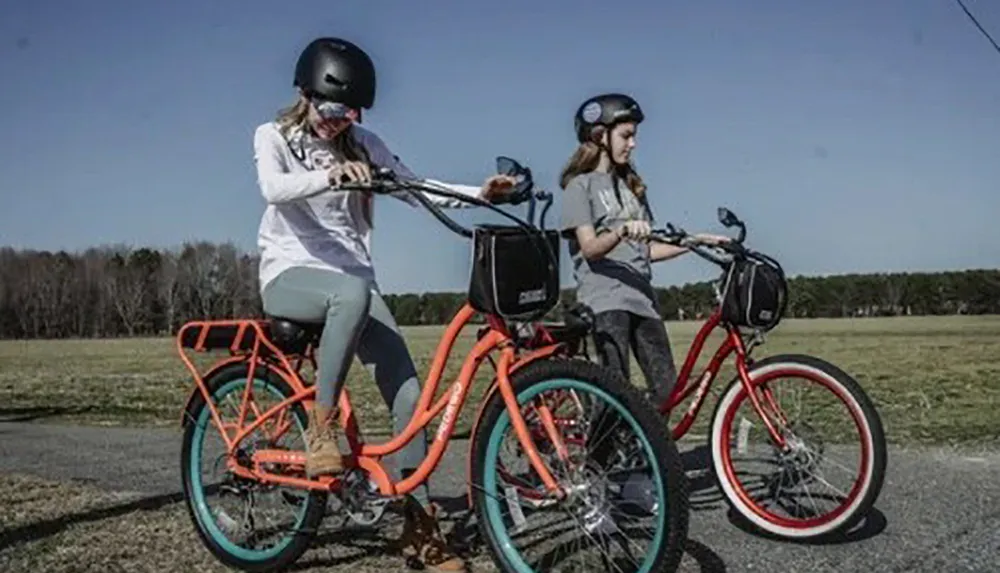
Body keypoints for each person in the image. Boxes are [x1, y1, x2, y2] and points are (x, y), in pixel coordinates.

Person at [253, 36, 514, 572]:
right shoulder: (273, 135)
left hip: (352, 282)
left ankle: (418, 529)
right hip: (288, 275)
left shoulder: (364, 142)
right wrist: (330, 174)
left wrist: (480, 193)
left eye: (350, 112)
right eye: (330, 108)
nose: (338, 121)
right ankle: (321, 429)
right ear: (305, 93)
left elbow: (415, 187)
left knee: (411, 397)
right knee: (350, 290)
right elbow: (272, 188)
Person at [559, 92, 730, 410]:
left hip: (644, 302)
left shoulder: (632, 189)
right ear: (600, 136)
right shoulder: (579, 188)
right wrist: (621, 230)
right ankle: (603, 459)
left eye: (634, 136)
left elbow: (646, 251)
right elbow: (590, 248)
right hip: (605, 303)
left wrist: (694, 242)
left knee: (667, 392)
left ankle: (642, 451)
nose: (633, 144)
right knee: (614, 396)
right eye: (626, 136)